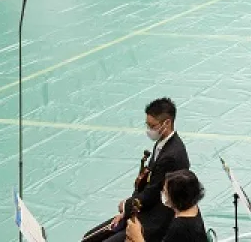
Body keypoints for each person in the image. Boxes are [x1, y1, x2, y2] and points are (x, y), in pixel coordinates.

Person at [81, 98, 189, 242]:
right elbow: (144, 185)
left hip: (155, 222)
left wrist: (127, 206)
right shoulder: (161, 144)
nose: (149, 129)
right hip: (140, 211)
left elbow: (152, 193)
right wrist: (127, 211)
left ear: (167, 123)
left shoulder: (172, 156)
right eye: (147, 125)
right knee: (89, 237)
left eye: (152, 126)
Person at [149, 170, 208, 242]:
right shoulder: (193, 207)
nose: (163, 193)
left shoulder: (179, 227)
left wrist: (137, 237)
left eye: (165, 191)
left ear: (175, 196)